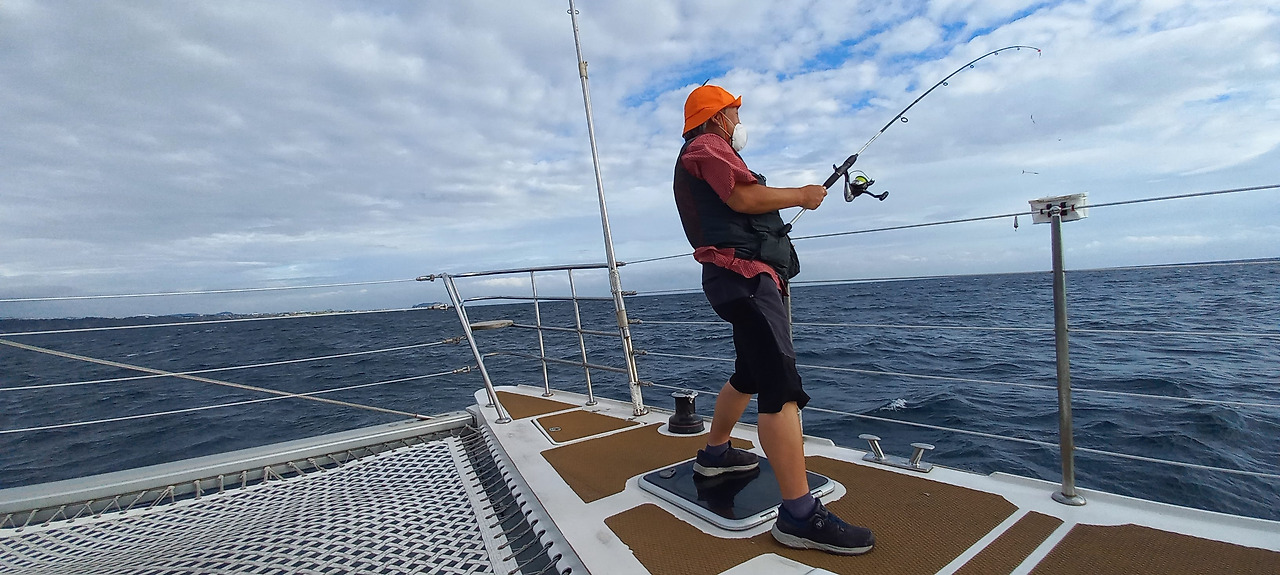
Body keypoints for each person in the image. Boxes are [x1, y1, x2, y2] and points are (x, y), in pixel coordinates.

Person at [672, 85, 875, 556]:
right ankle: (800, 516)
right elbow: (743, 198)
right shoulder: (706, 146)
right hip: (744, 279)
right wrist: (803, 195)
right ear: (716, 117)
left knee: (749, 372)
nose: (738, 121)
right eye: (734, 112)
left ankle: (715, 455)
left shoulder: (702, 151)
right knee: (780, 386)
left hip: (735, 280)